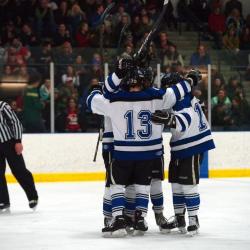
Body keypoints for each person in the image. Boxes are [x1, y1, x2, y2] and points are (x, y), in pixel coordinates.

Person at [87, 58, 194, 237]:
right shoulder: (156, 98)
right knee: (143, 185)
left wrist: (99, 88)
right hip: (148, 153)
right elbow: (175, 92)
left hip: (122, 153)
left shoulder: (114, 100)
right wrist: (190, 82)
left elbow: (92, 100)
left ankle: (118, 218)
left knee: (116, 185)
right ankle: (139, 218)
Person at [151, 71, 215, 236]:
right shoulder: (183, 97)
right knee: (176, 184)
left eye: (166, 87)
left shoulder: (182, 101)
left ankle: (193, 220)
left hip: (192, 146)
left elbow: (184, 121)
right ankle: (180, 219)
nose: (165, 91)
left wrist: (168, 120)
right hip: (181, 146)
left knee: (188, 185)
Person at [0, 101, 38, 213]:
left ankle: (32, 196)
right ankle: (3, 201)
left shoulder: (2, 106)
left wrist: (17, 141)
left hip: (9, 143)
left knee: (19, 170)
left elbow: (15, 122)